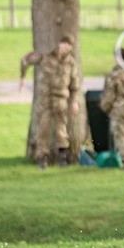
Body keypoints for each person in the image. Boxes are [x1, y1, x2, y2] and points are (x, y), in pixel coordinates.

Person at [19, 34, 81, 169]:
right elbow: (26, 60)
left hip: (61, 100)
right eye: (65, 44)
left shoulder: (71, 64)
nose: (67, 48)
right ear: (60, 44)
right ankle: (42, 159)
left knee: (61, 130)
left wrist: (75, 102)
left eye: (70, 46)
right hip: (45, 100)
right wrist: (22, 75)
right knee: (43, 129)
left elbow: (75, 86)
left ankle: (63, 159)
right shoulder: (45, 57)